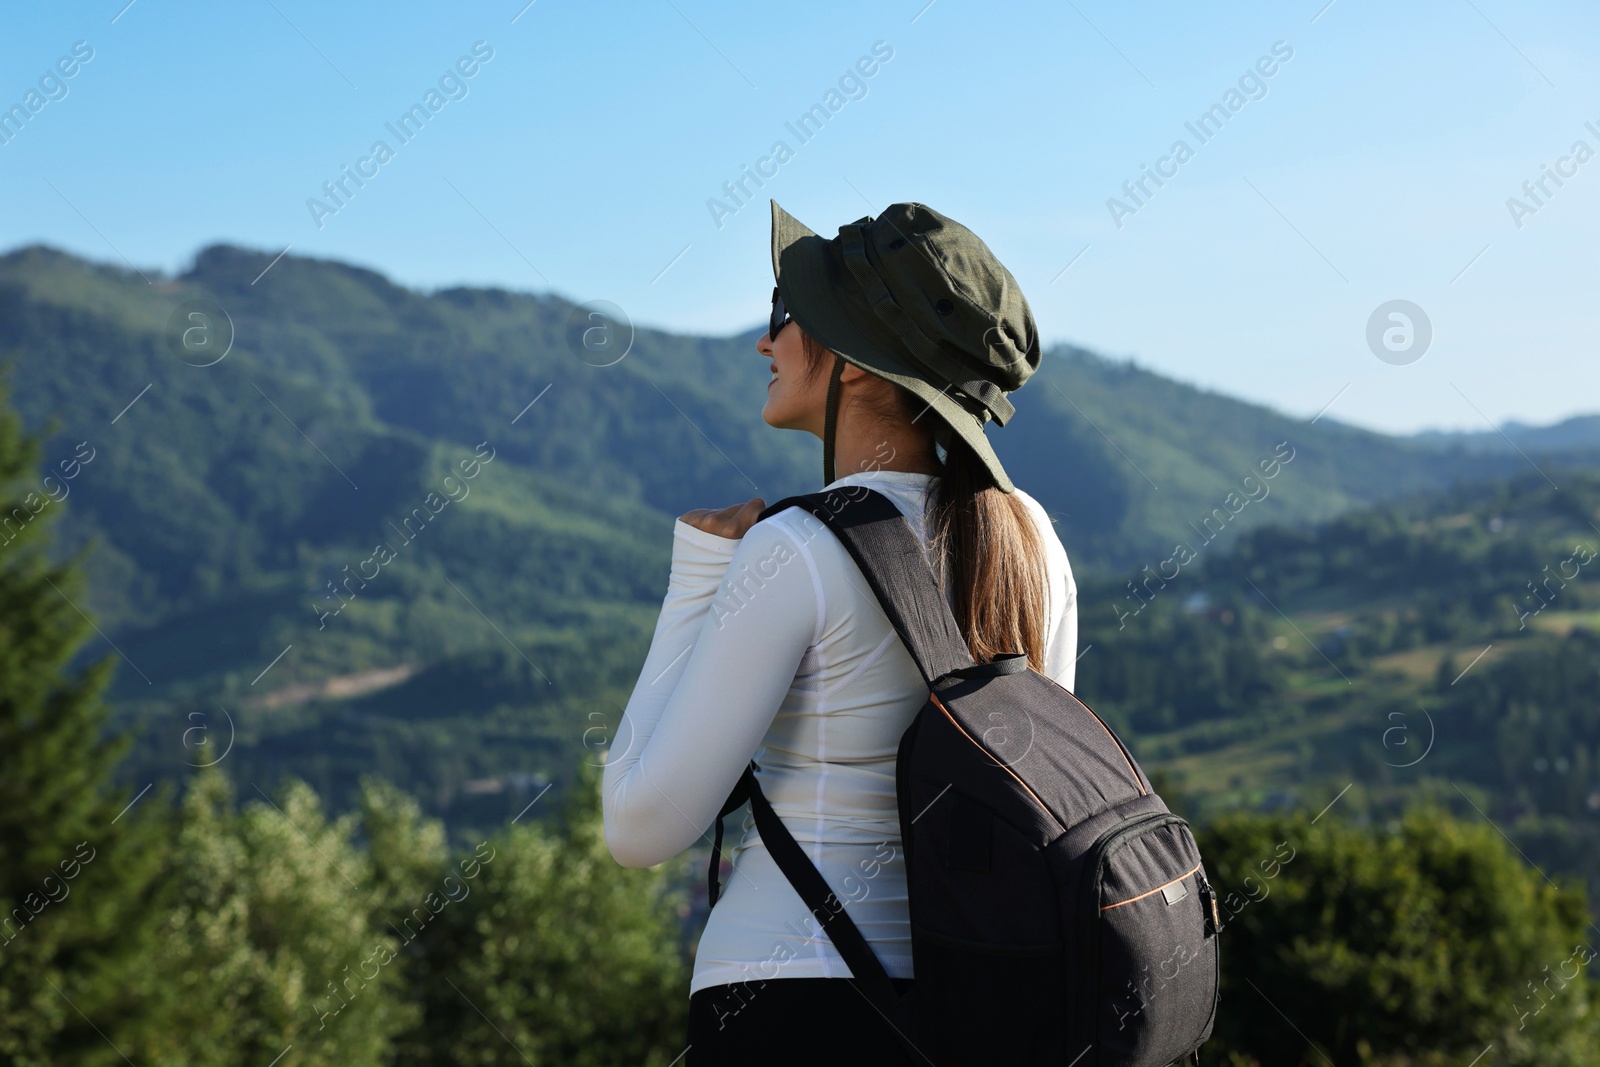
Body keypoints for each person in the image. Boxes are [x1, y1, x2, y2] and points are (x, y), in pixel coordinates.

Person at [601, 200, 1079, 1065]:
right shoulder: (1035, 541)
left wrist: (696, 580)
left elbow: (639, 826)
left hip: (788, 1002)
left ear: (854, 364)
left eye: (785, 314)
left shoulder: (796, 550)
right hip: (989, 1008)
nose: (765, 341)